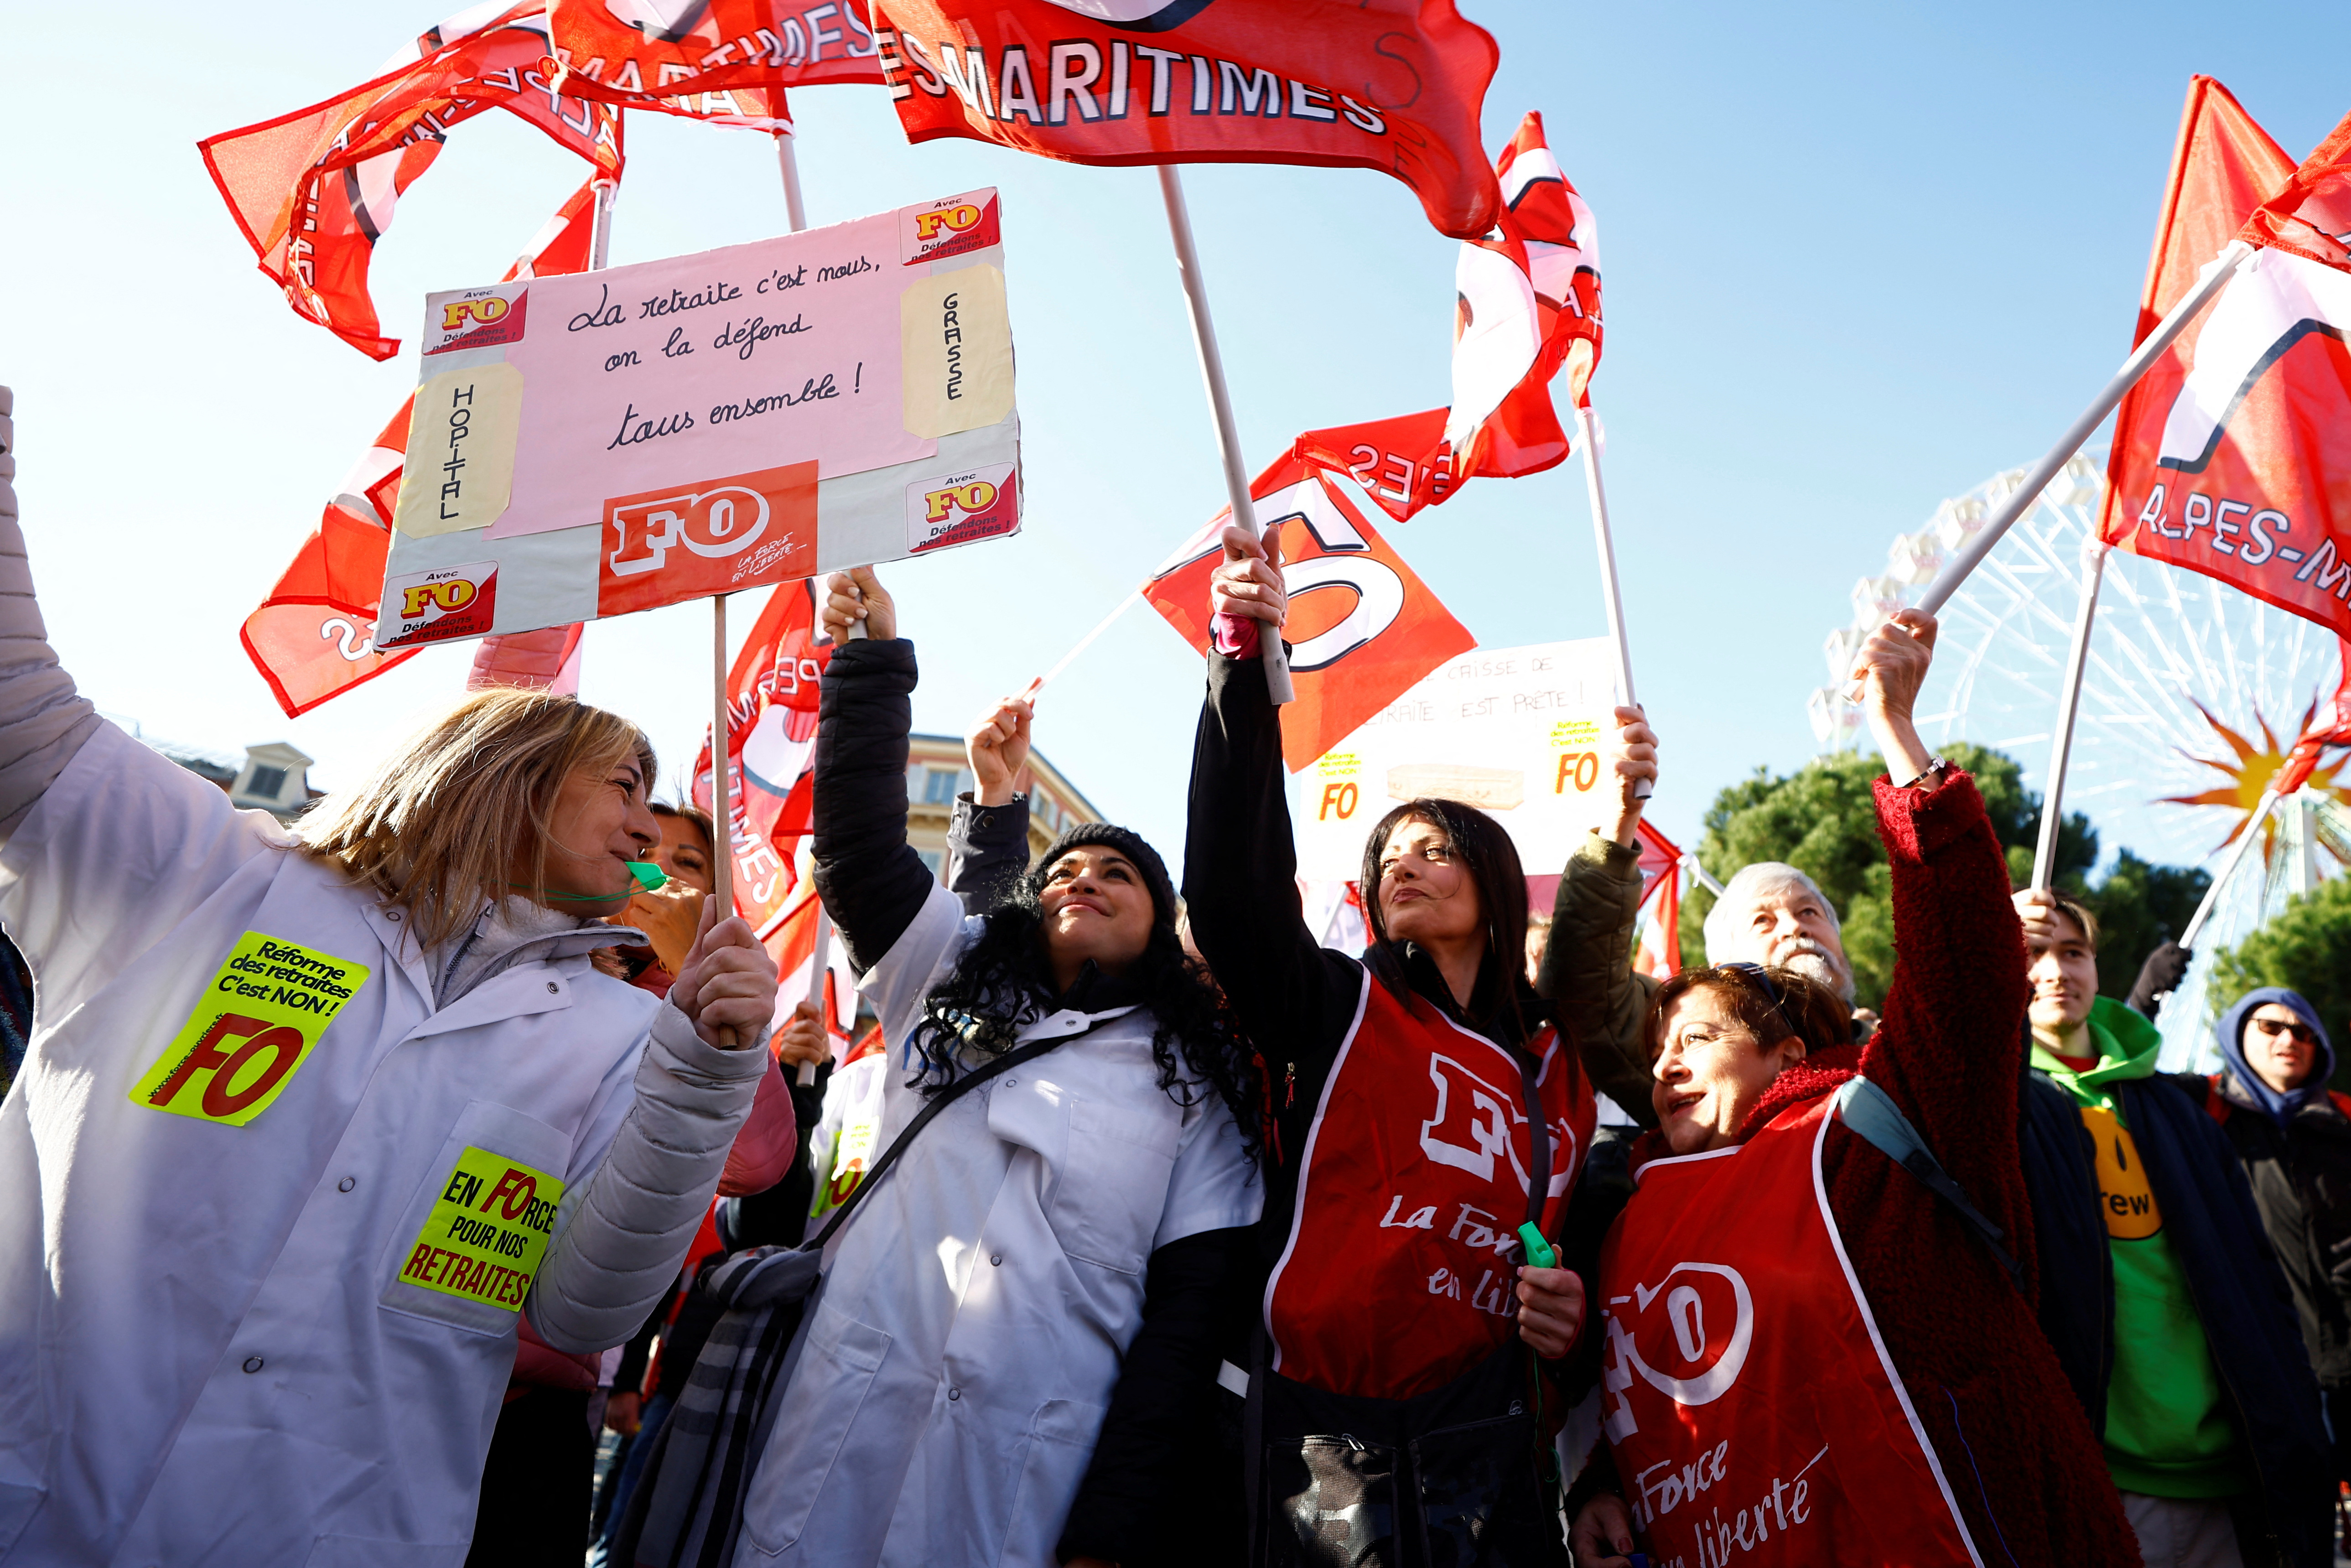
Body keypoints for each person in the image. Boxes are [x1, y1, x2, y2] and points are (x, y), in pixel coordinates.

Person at [0, 387, 779, 1565]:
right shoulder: (221, 870)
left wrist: (703, 1076)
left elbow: (583, 1307)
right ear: (507, 766)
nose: (645, 821)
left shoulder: (619, 1030)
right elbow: (27, 727)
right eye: (624, 781)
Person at [702, 568, 1262, 1568]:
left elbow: (1185, 1325)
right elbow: (861, 852)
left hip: (1027, 1475)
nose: (1083, 880)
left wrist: (1113, 1526)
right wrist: (873, 666)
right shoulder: (947, 977)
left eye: (1116, 874)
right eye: (1065, 872)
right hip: (838, 1423)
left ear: (1162, 925)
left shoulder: (1196, 1096)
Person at [1566, 608, 2137, 1567]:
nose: (1666, 1066)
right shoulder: (1645, 1192)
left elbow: (1963, 961)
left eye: (1811, 911)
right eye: (1763, 917)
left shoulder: (1891, 1100)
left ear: (1786, 1055)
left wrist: (1899, 736)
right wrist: (1605, 1477)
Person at [1187, 523, 1601, 1565]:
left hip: (1489, 1455)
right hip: (1316, 1443)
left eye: (1434, 847)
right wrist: (1242, 664)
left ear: (1496, 881)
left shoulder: (1558, 1076)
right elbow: (1235, 894)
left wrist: (1566, 1320)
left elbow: (1581, 1281)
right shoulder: (1337, 1008)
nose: (1402, 865)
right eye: (1388, 855)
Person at [2014, 881, 2335, 1566]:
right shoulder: (2001, 1109)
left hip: (2234, 1479)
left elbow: (2259, 1284)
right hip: (2095, 1480)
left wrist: (2297, 1420)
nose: (2053, 970)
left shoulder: (2177, 1110)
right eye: (2030, 952)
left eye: (2072, 951)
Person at [1557, 849, 1865, 1126]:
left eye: (1807, 912)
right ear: (1725, 967)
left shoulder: (1891, 1043)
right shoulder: (1683, 1037)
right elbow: (1586, 987)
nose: (1794, 927)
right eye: (1762, 921)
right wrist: (1616, 835)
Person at [2199, 988, 2351, 1500]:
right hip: (2264, 1368)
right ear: (2236, 1035)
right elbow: (2110, 1079)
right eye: (2270, 1026)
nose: (2290, 1039)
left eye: (2304, 1032)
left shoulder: (2344, 1118)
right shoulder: (2202, 1112)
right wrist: (2147, 994)